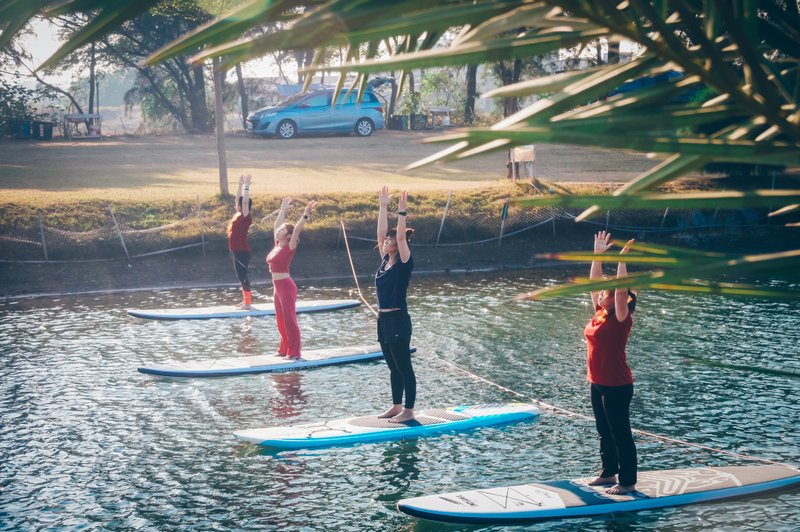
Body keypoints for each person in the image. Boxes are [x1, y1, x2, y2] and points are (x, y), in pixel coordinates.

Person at [585, 230, 638, 495]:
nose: (604, 292)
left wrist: (621, 259)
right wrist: (597, 255)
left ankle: (627, 481)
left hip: (617, 384)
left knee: (620, 433)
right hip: (597, 382)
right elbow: (593, 283)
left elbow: (620, 291)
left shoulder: (620, 318)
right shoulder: (600, 314)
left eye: (612, 291)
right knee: (603, 431)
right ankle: (608, 473)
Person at [375, 186, 416, 423]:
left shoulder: (403, 262)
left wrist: (401, 213)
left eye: (390, 240)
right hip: (383, 321)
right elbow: (381, 234)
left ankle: (409, 411)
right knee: (392, 366)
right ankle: (396, 405)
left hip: (398, 320)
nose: (387, 241)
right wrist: (382, 206)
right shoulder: (384, 261)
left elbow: (400, 237)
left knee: (404, 366)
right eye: (388, 239)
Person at [266, 197, 316, 359]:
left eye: (282, 230)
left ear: (287, 236)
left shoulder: (289, 246)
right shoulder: (277, 245)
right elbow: (276, 225)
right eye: (279, 230)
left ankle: (294, 352)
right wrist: (283, 209)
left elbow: (296, 231)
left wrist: (305, 215)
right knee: (280, 320)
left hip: (286, 287)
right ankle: (284, 349)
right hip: (276, 288)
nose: (278, 231)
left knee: (290, 320)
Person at [227, 174, 253, 309]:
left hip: (242, 251)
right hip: (237, 251)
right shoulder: (237, 214)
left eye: (241, 205)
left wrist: (247, 186)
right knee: (239, 275)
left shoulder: (245, 216)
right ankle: (245, 301)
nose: (238, 205)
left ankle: (248, 304)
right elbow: (238, 200)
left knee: (242, 275)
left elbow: (243, 202)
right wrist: (239, 185)